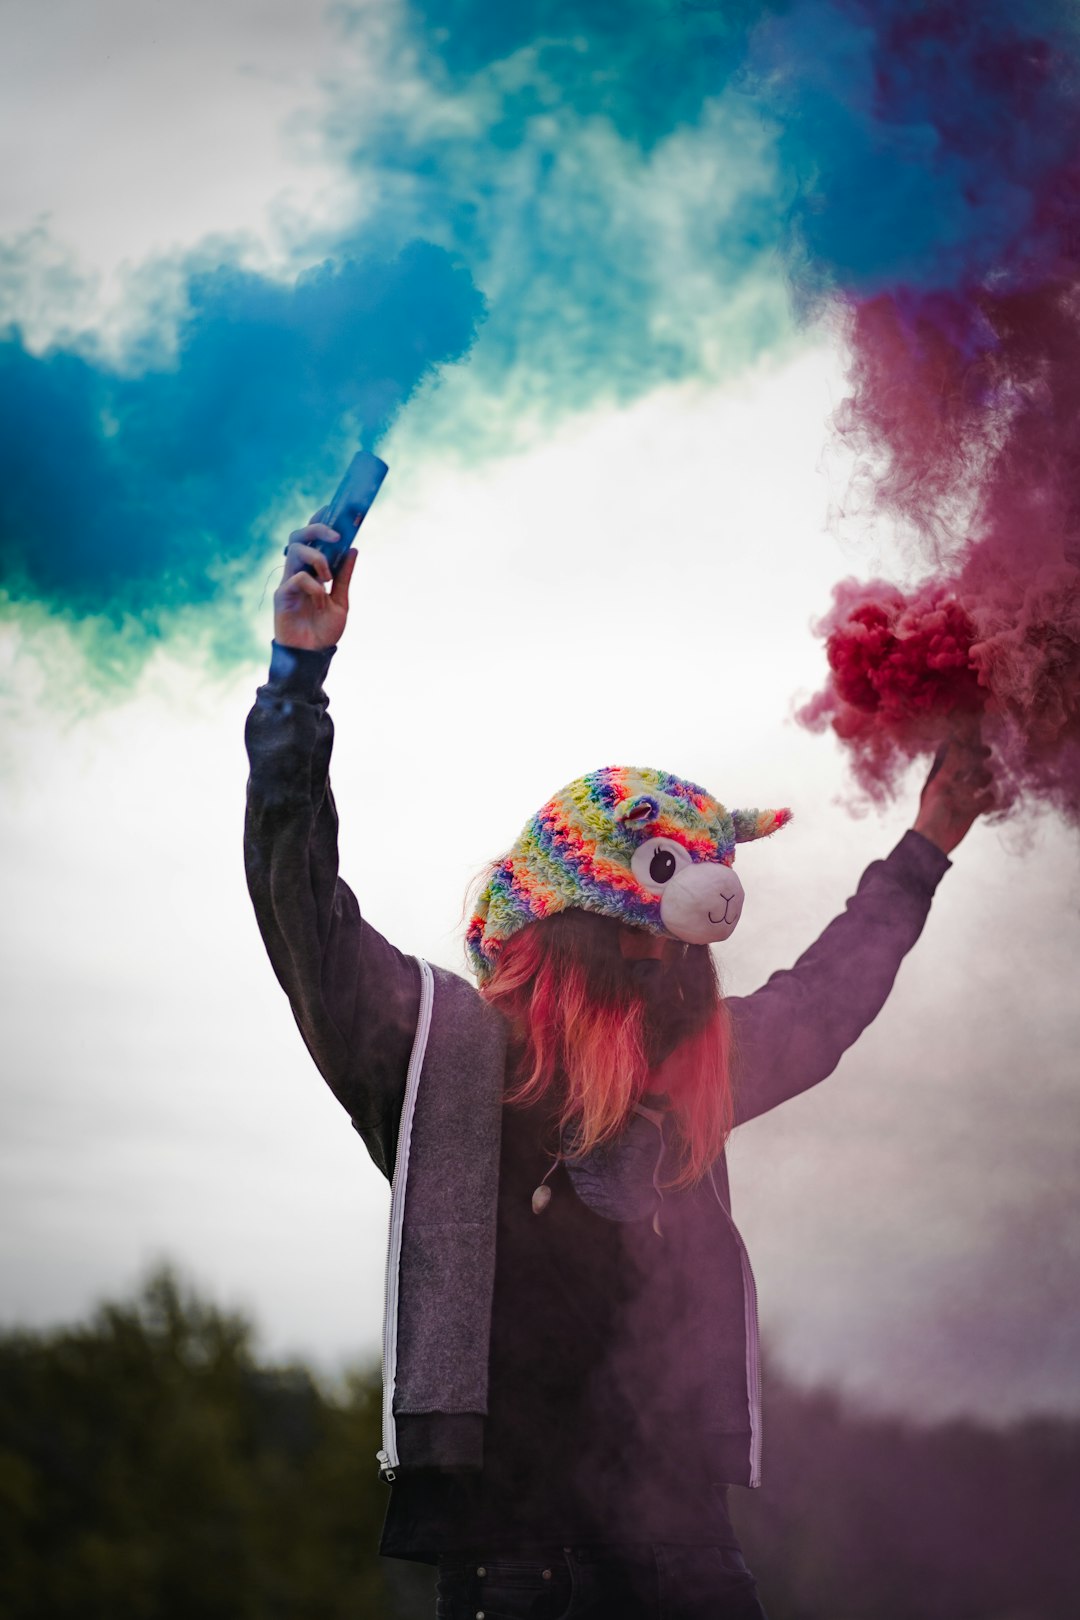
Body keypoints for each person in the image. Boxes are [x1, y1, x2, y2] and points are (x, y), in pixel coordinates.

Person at [244, 524, 994, 1620]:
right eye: (644, 934)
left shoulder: (689, 1071)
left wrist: (931, 837)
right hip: (517, 1576)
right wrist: (295, 685)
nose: (671, 963)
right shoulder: (438, 1052)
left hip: (694, 1564)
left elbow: (825, 1002)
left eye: (684, 945)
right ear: (569, 925)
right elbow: (301, 906)